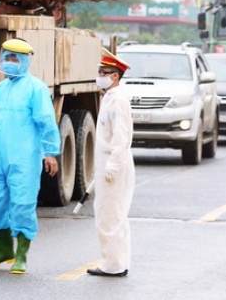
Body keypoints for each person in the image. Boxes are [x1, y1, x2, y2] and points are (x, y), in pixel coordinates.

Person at [0, 38, 60, 274]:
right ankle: (3, 251)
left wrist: (50, 153)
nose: (9, 62)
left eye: (14, 58)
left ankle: (21, 255)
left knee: (22, 206)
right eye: (7, 57)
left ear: (24, 61)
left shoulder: (36, 88)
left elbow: (46, 122)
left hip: (25, 158)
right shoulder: (1, 89)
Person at [87, 48, 134, 278]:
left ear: (114, 76)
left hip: (114, 164)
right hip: (109, 163)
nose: (99, 76)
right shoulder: (110, 97)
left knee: (108, 215)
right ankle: (118, 262)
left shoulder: (118, 101)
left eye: (103, 72)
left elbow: (121, 137)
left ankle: (112, 265)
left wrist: (113, 166)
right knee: (115, 214)